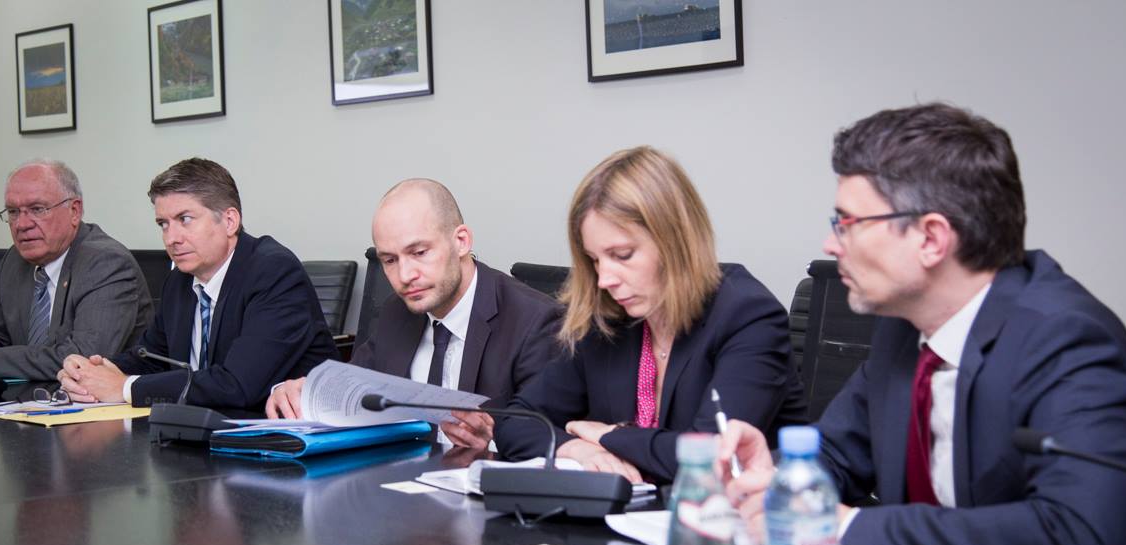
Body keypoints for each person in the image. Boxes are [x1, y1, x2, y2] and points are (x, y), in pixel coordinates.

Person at [719, 103, 1126, 545]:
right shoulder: (904, 327)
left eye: (848, 223)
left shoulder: (1066, 340)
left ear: (932, 239)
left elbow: (1074, 537)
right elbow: (838, 451)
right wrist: (785, 480)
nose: (831, 245)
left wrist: (845, 528)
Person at [495, 146, 808, 484]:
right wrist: (579, 449)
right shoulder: (610, 318)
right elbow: (515, 421)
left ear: (676, 239)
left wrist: (607, 435)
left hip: (737, 512)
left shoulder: (748, 316)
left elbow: (710, 457)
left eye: (622, 255)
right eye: (595, 260)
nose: (604, 279)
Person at [266, 179, 562, 451]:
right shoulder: (397, 312)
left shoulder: (534, 322)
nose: (405, 276)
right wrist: (297, 391)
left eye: (419, 253)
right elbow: (352, 387)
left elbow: (550, 443)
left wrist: (493, 443)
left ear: (461, 241)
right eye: (390, 260)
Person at [58, 158, 337, 410]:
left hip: (281, 437)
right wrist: (92, 372)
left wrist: (124, 387)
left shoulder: (274, 272)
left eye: (185, 219)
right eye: (163, 224)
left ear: (229, 221)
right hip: (199, 430)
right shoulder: (179, 280)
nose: (171, 238)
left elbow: (237, 384)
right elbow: (153, 358)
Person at [0, 159, 152, 379]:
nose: (22, 224)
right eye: (13, 211)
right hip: (27, 395)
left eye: (37, 209)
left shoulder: (106, 263)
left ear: (74, 211)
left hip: (93, 398)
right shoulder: (15, 260)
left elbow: (82, 360)